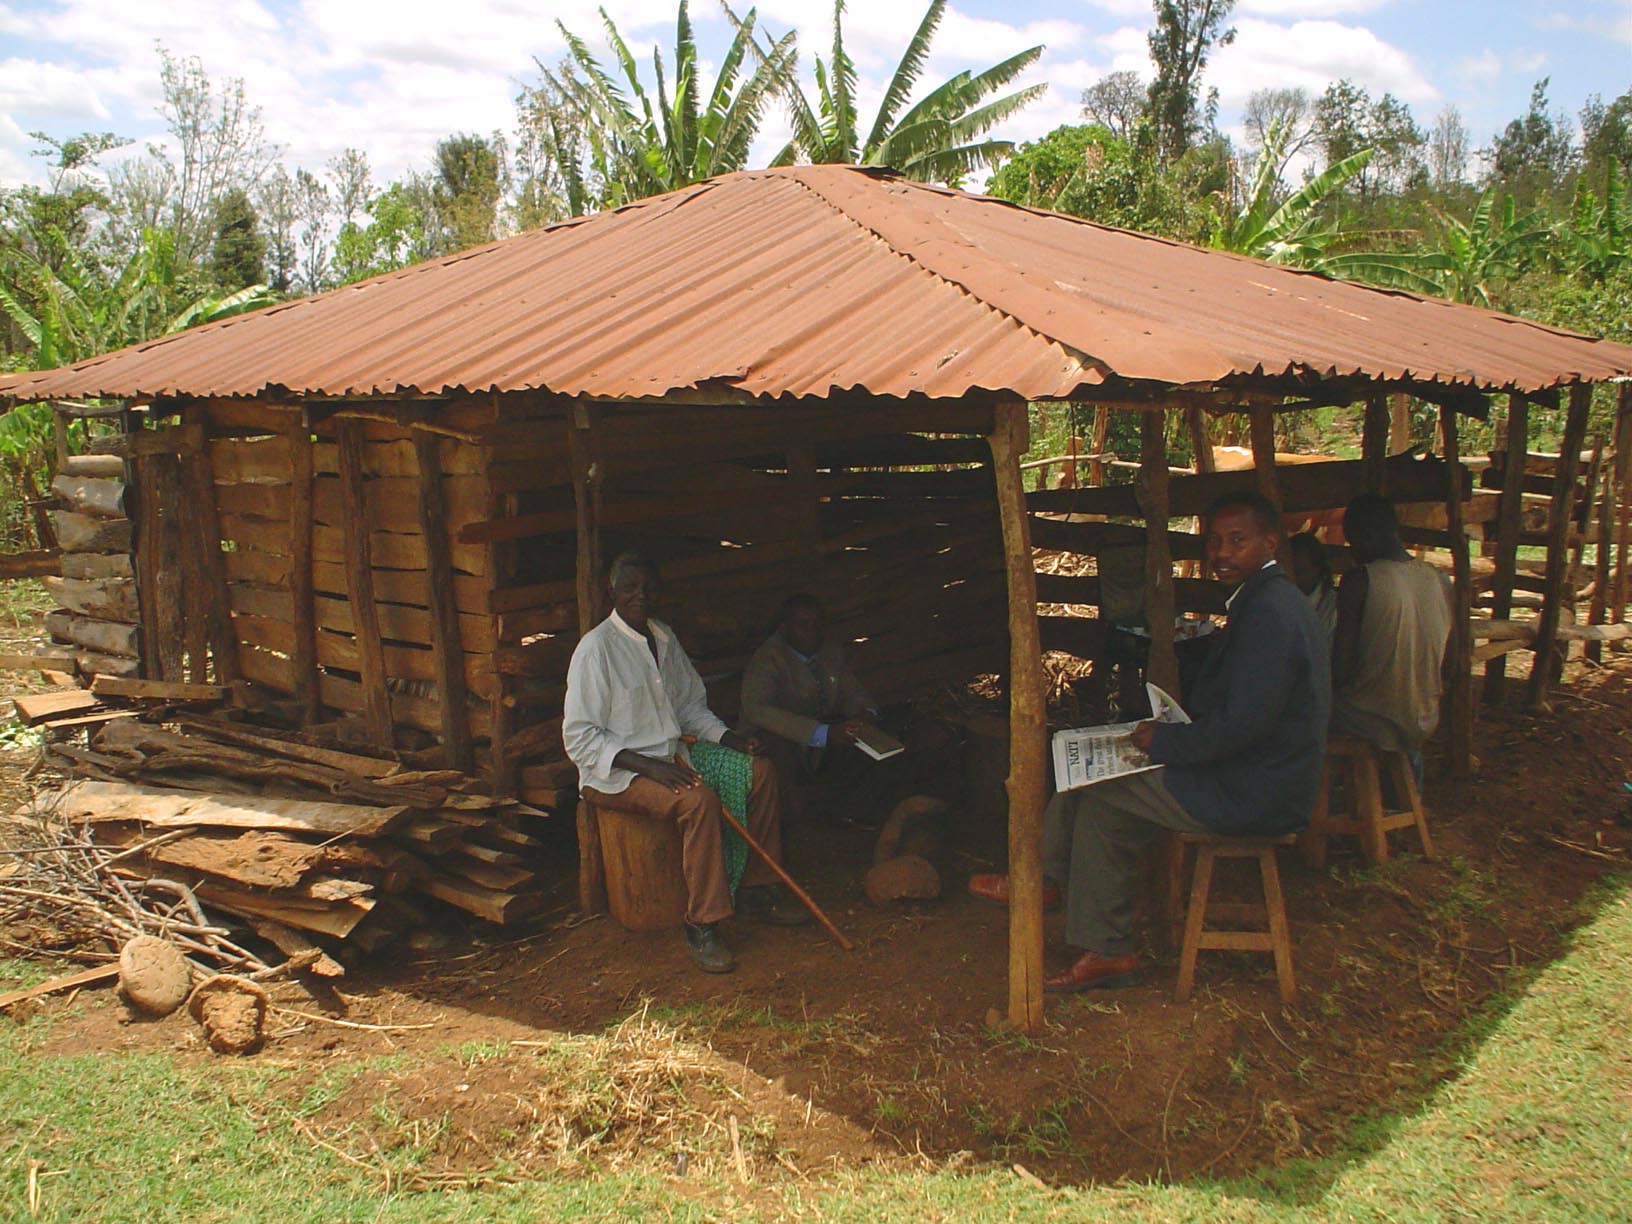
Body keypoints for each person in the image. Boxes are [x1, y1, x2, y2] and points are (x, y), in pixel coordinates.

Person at [969, 491, 1330, 992]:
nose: (1222, 553)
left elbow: (1244, 725)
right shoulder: (1268, 601)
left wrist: (1167, 743)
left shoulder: (1270, 612)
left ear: (1270, 543)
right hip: (1253, 775)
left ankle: (1057, 897)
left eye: (1237, 541)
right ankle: (1090, 931)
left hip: (1255, 790)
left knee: (1099, 787)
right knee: (1100, 797)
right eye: (1214, 542)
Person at [563, 552, 810, 975]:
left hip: (673, 756)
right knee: (697, 801)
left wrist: (732, 740)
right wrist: (648, 767)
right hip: (615, 774)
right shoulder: (596, 650)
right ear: (611, 591)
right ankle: (702, 923)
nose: (641, 595)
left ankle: (756, 890)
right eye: (630, 587)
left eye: (648, 587)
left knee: (760, 772)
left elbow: (690, 708)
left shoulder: (663, 638)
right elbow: (580, 738)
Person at [1330, 493, 1453, 765]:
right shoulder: (1439, 579)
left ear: (1368, 536)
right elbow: (1449, 664)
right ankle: (1407, 782)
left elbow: (1340, 670)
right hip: (1425, 717)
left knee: (1299, 708)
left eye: (1353, 542)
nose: (1352, 552)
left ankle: (1327, 787)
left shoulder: (1361, 580)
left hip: (1366, 718)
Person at [738, 594, 879, 822]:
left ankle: (841, 813)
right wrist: (821, 733)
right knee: (775, 748)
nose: (812, 630)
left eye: (817, 623)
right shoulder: (768, 658)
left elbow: (853, 691)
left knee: (862, 746)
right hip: (780, 738)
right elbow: (758, 710)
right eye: (803, 624)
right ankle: (792, 821)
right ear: (784, 628)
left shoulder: (830, 651)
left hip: (818, 738)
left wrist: (864, 715)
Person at [1288, 531, 1338, 644]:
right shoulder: (1276, 599)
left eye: (1299, 572)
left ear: (1317, 569)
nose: (1292, 579)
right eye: (1287, 572)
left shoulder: (1333, 606)